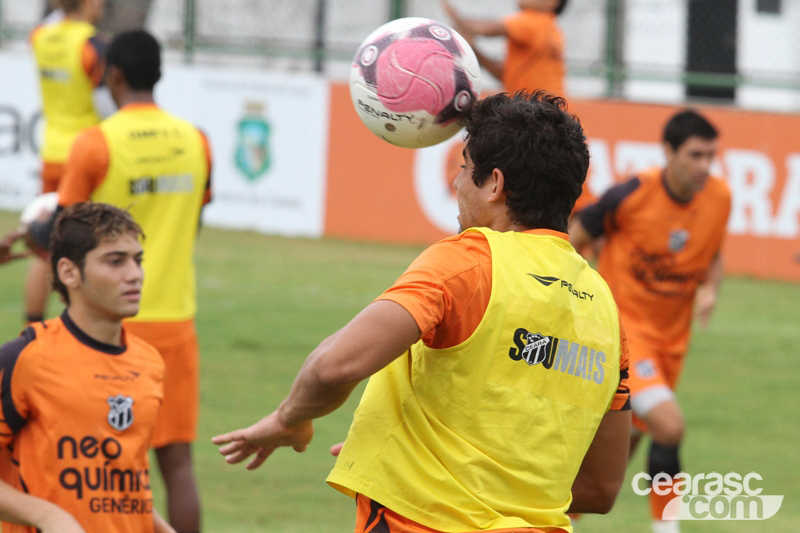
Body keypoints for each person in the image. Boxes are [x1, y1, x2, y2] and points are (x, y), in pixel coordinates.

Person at [213, 91, 631, 533]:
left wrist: (289, 419)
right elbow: (601, 489)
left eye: (464, 168)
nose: (457, 184)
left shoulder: (470, 261)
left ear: (494, 184)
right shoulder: (607, 311)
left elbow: (333, 367)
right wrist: (409, 456)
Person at [31, 29, 212, 533]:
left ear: (112, 76)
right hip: (175, 320)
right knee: (177, 466)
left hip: (104, 326)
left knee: (90, 464)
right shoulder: (196, 140)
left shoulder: (96, 142)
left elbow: (64, 233)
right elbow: (194, 223)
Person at [569, 110, 731, 533]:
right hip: (624, 335)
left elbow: (712, 251)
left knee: (608, 468)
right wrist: (576, 298)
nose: (704, 166)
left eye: (710, 156)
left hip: (672, 345)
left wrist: (712, 288)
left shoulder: (720, 198)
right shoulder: (631, 195)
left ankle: (555, 519)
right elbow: (574, 238)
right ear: (668, 152)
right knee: (669, 426)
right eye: (695, 155)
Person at [0, 202, 174, 533]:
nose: (134, 274)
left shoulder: (148, 363)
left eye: (137, 260)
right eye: (115, 261)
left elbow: (123, 488)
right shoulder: (26, 358)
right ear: (69, 272)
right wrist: (47, 515)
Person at [26, 0, 111, 326]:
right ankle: (85, 326)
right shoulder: (92, 45)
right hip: (86, 155)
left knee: (45, 246)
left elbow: (52, 20)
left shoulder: (40, 37)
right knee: (91, 245)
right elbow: (105, 106)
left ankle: (32, 325)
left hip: (52, 152)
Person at [443, 0, 567, 97]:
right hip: (548, 111)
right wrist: (473, 49)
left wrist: (448, 8)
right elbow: (505, 76)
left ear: (553, 2)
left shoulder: (534, 20)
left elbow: (477, 28)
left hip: (537, 111)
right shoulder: (549, 27)